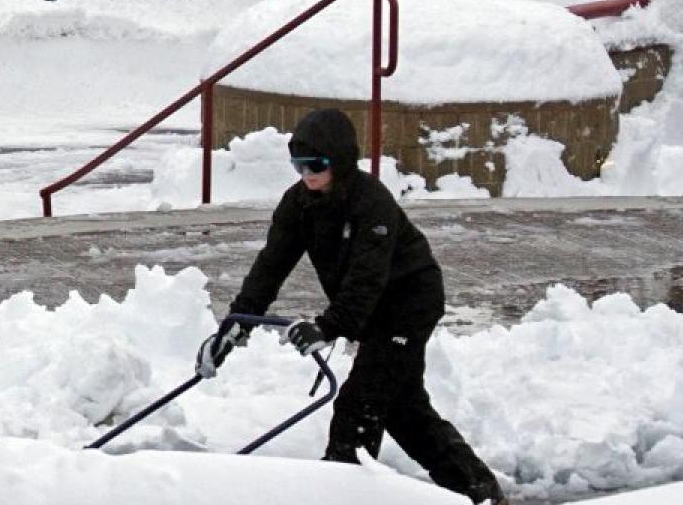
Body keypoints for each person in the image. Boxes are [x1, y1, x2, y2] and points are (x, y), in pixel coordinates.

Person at [199, 108, 505, 504]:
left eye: (316, 164)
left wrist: (329, 327)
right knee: (402, 409)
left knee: (359, 407)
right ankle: (478, 491)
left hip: (408, 303)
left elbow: (368, 277)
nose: (307, 174)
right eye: (298, 164)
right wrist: (235, 326)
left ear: (339, 161)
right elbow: (270, 266)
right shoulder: (299, 204)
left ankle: (344, 490)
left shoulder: (371, 203)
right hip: (371, 308)